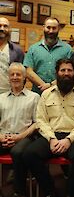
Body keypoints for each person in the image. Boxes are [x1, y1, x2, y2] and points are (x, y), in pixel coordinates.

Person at [23, 59, 74, 197]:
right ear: (57, 73)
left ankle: (70, 192)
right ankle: (50, 191)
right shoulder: (46, 94)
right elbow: (41, 120)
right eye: (63, 70)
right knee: (29, 154)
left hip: (73, 137)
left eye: (69, 70)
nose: (66, 73)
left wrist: (69, 140)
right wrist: (52, 138)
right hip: (50, 136)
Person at [0, 62, 39, 197]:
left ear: (24, 78)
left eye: (18, 74)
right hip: (3, 136)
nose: (15, 77)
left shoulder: (34, 97)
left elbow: (37, 123)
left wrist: (19, 137)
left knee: (17, 152)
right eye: (12, 74)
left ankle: (19, 192)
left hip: (25, 137)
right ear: (8, 77)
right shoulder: (1, 98)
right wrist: (1, 137)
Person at [23, 17, 73, 94]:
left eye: (54, 28)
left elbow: (70, 72)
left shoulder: (67, 49)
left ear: (59, 29)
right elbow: (28, 71)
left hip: (60, 94)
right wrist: (43, 85)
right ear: (43, 28)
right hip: (38, 93)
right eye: (48, 27)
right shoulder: (33, 49)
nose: (51, 31)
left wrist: (51, 85)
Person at [0, 17, 24, 94]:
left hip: (9, 93)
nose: (2, 28)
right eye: (0, 26)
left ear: (9, 29)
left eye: (5, 26)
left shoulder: (17, 50)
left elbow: (22, 74)